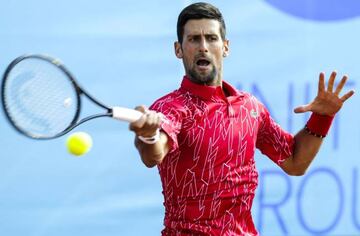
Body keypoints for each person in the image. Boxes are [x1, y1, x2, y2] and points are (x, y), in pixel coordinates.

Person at [129, 2, 354, 235]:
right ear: (179, 49)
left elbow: (295, 162)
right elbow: (153, 154)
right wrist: (147, 136)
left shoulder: (249, 107)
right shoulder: (169, 108)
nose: (203, 47)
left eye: (211, 38)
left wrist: (323, 117)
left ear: (225, 47)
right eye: (194, 39)